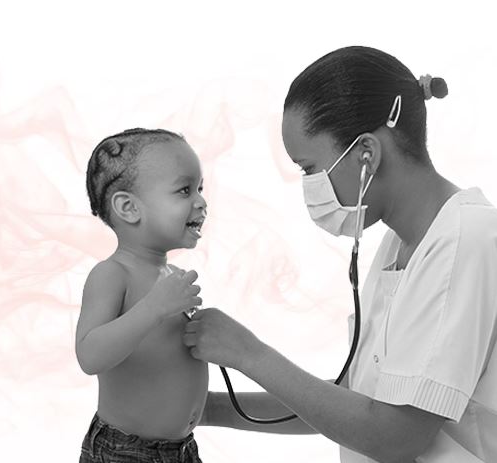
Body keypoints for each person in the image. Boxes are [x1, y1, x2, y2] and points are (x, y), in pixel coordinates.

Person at [184, 46, 497, 462]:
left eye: (309, 168)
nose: (309, 186)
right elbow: (349, 404)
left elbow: (393, 436)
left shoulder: (467, 240)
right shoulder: (400, 243)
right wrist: (201, 409)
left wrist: (245, 351)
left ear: (367, 152)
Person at [76, 128, 208, 463]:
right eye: (184, 190)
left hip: (182, 449)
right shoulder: (112, 274)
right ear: (128, 208)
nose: (201, 201)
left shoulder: (172, 277)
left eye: (200, 188)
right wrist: (153, 308)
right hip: (125, 452)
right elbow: (89, 356)